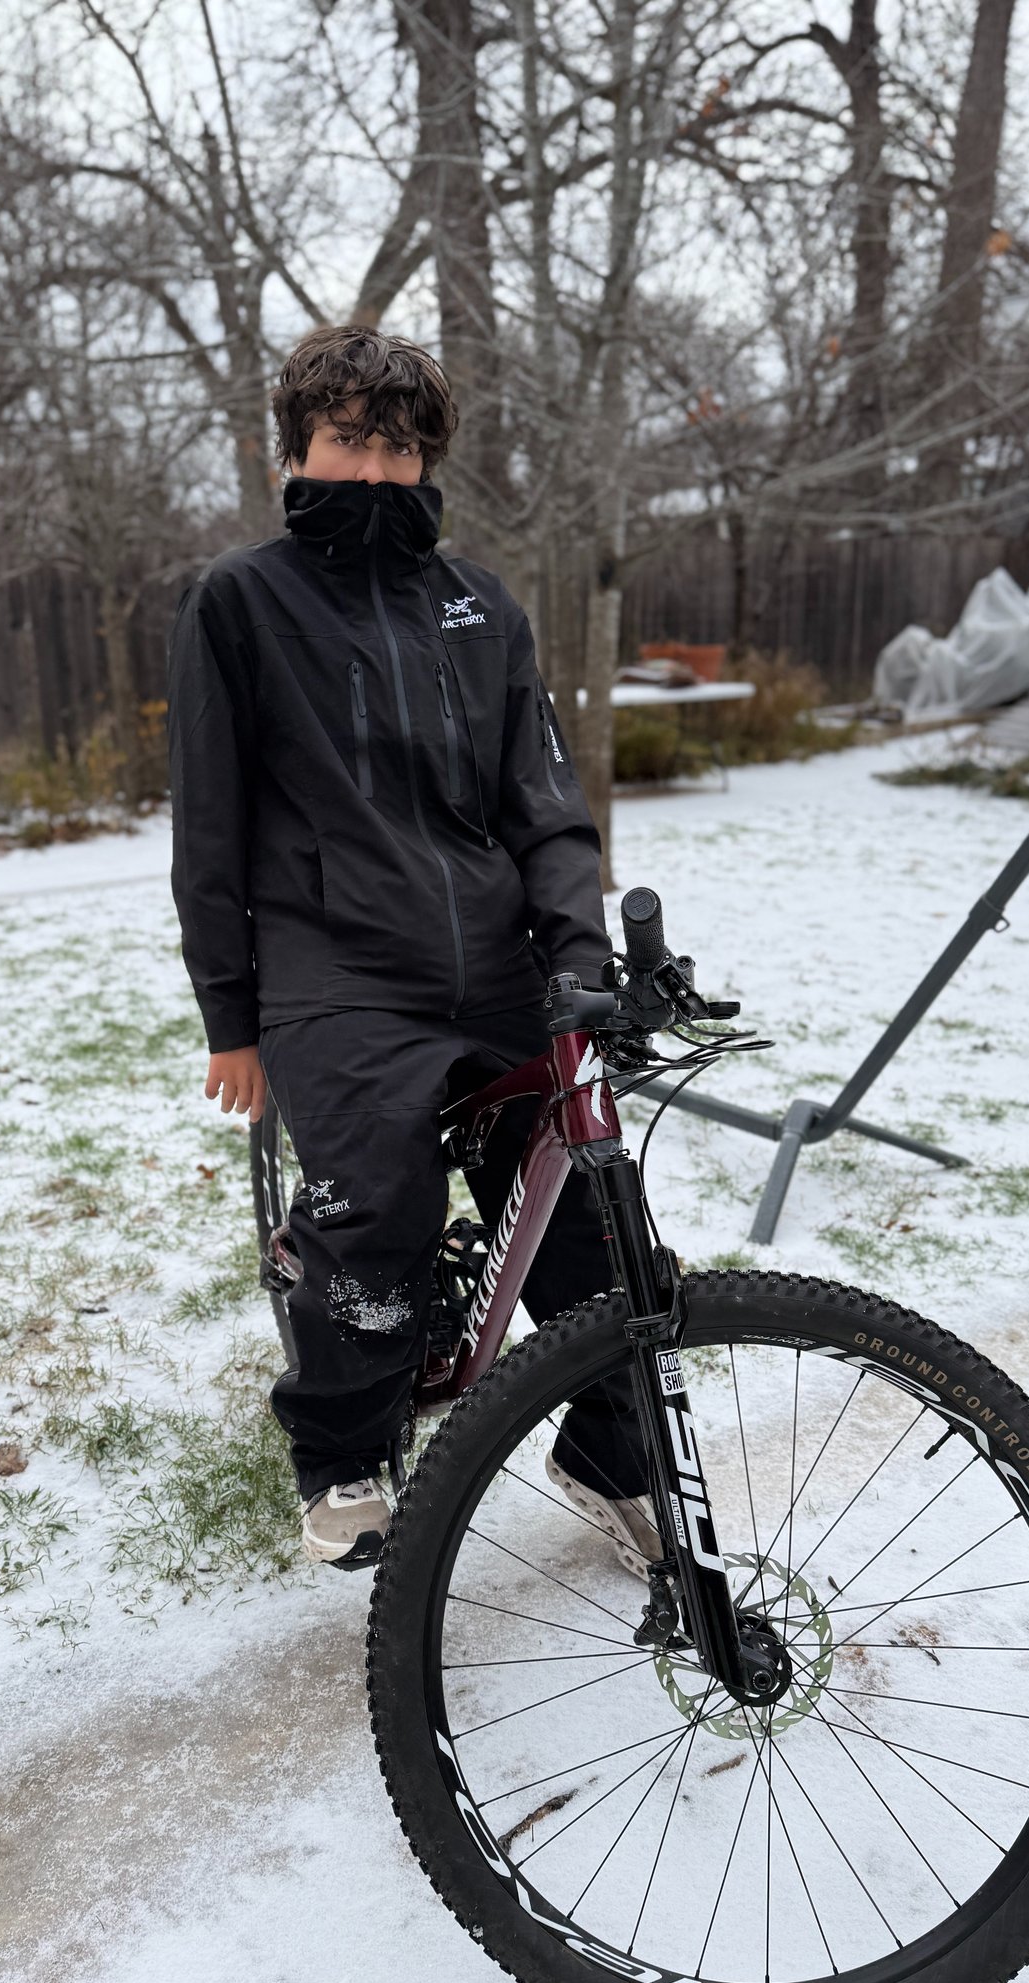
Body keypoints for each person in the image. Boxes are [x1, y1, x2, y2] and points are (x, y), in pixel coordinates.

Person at [167, 324, 659, 1572]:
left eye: (398, 446)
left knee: (594, 1205)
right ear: (297, 447)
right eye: (348, 441)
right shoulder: (241, 600)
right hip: (336, 971)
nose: (376, 470)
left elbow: (542, 802)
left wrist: (578, 947)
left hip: (494, 963)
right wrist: (233, 1017)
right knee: (376, 1206)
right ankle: (343, 1447)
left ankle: (609, 1452)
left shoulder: (479, 605)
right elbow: (210, 828)